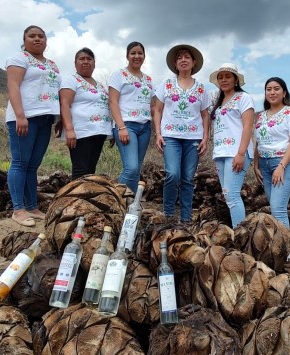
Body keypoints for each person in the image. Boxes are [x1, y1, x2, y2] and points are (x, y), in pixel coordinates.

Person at [5, 25, 61, 227]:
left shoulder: (52, 65)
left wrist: (58, 117)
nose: (37, 39)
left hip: (45, 118)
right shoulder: (19, 59)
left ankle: (32, 206)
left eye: (41, 36)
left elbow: (55, 91)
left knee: (33, 165)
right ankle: (18, 209)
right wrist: (20, 115)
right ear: (24, 39)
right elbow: (13, 85)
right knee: (20, 162)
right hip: (24, 118)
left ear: (46, 41)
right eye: (32, 36)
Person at [153, 44, 211, 224]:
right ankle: (169, 215)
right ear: (175, 64)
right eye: (180, 58)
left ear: (193, 63)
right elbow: (158, 110)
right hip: (170, 136)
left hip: (193, 138)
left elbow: (205, 114)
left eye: (187, 57)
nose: (183, 60)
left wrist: (205, 138)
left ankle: (186, 218)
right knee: (172, 174)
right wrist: (158, 133)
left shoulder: (201, 88)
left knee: (187, 178)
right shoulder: (167, 84)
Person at [253, 77, 290, 228]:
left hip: (283, 164)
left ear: (284, 93)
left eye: (276, 89)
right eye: (268, 89)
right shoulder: (261, 116)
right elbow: (258, 142)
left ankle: (287, 251)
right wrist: (256, 165)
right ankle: (278, 246)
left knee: (278, 209)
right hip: (264, 165)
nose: (272, 92)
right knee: (275, 207)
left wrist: (281, 166)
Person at [209, 63, 255, 227]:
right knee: (228, 195)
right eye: (220, 77)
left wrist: (241, 153)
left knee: (232, 195)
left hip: (237, 152)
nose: (223, 80)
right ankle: (237, 231)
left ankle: (240, 235)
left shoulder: (244, 98)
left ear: (235, 79)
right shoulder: (219, 103)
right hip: (221, 153)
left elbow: (248, 126)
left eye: (228, 76)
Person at [108, 42, 156, 192]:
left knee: (136, 170)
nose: (137, 56)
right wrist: (121, 127)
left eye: (140, 53)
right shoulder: (118, 75)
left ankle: (130, 208)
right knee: (131, 168)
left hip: (145, 127)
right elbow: (113, 101)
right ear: (127, 56)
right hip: (127, 125)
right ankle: (115, 201)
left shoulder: (148, 80)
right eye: (133, 53)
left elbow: (153, 106)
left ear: (144, 56)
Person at [60, 47, 111, 179]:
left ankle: (86, 198)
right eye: (81, 59)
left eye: (89, 59)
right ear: (75, 63)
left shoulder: (99, 85)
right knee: (80, 170)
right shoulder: (71, 80)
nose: (85, 61)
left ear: (94, 63)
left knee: (90, 170)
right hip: (81, 132)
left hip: (99, 131)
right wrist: (69, 129)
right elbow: (64, 104)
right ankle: (75, 198)